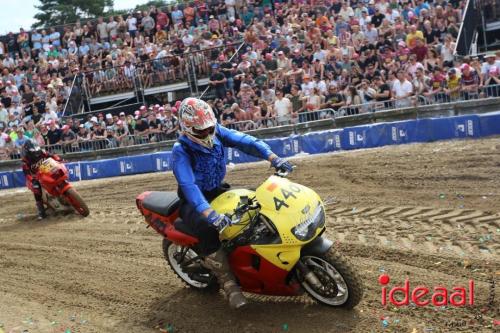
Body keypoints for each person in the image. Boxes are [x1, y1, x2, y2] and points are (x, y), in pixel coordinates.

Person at [172, 98, 293, 309]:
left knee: (256, 201)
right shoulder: (181, 149)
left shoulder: (217, 131)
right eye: (201, 131)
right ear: (187, 128)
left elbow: (245, 141)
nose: (208, 134)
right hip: (194, 201)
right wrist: (209, 213)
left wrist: (272, 157)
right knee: (208, 230)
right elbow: (188, 184)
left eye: (210, 128)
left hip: (218, 189)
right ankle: (228, 283)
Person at [21, 140, 62, 219]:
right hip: (36, 176)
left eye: (36, 150)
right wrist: (32, 179)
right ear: (27, 151)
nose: (35, 153)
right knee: (36, 188)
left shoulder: (42, 152)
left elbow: (52, 155)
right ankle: (41, 211)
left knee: (58, 173)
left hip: (47, 170)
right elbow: (27, 174)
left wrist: (58, 159)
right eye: (33, 151)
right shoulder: (25, 161)